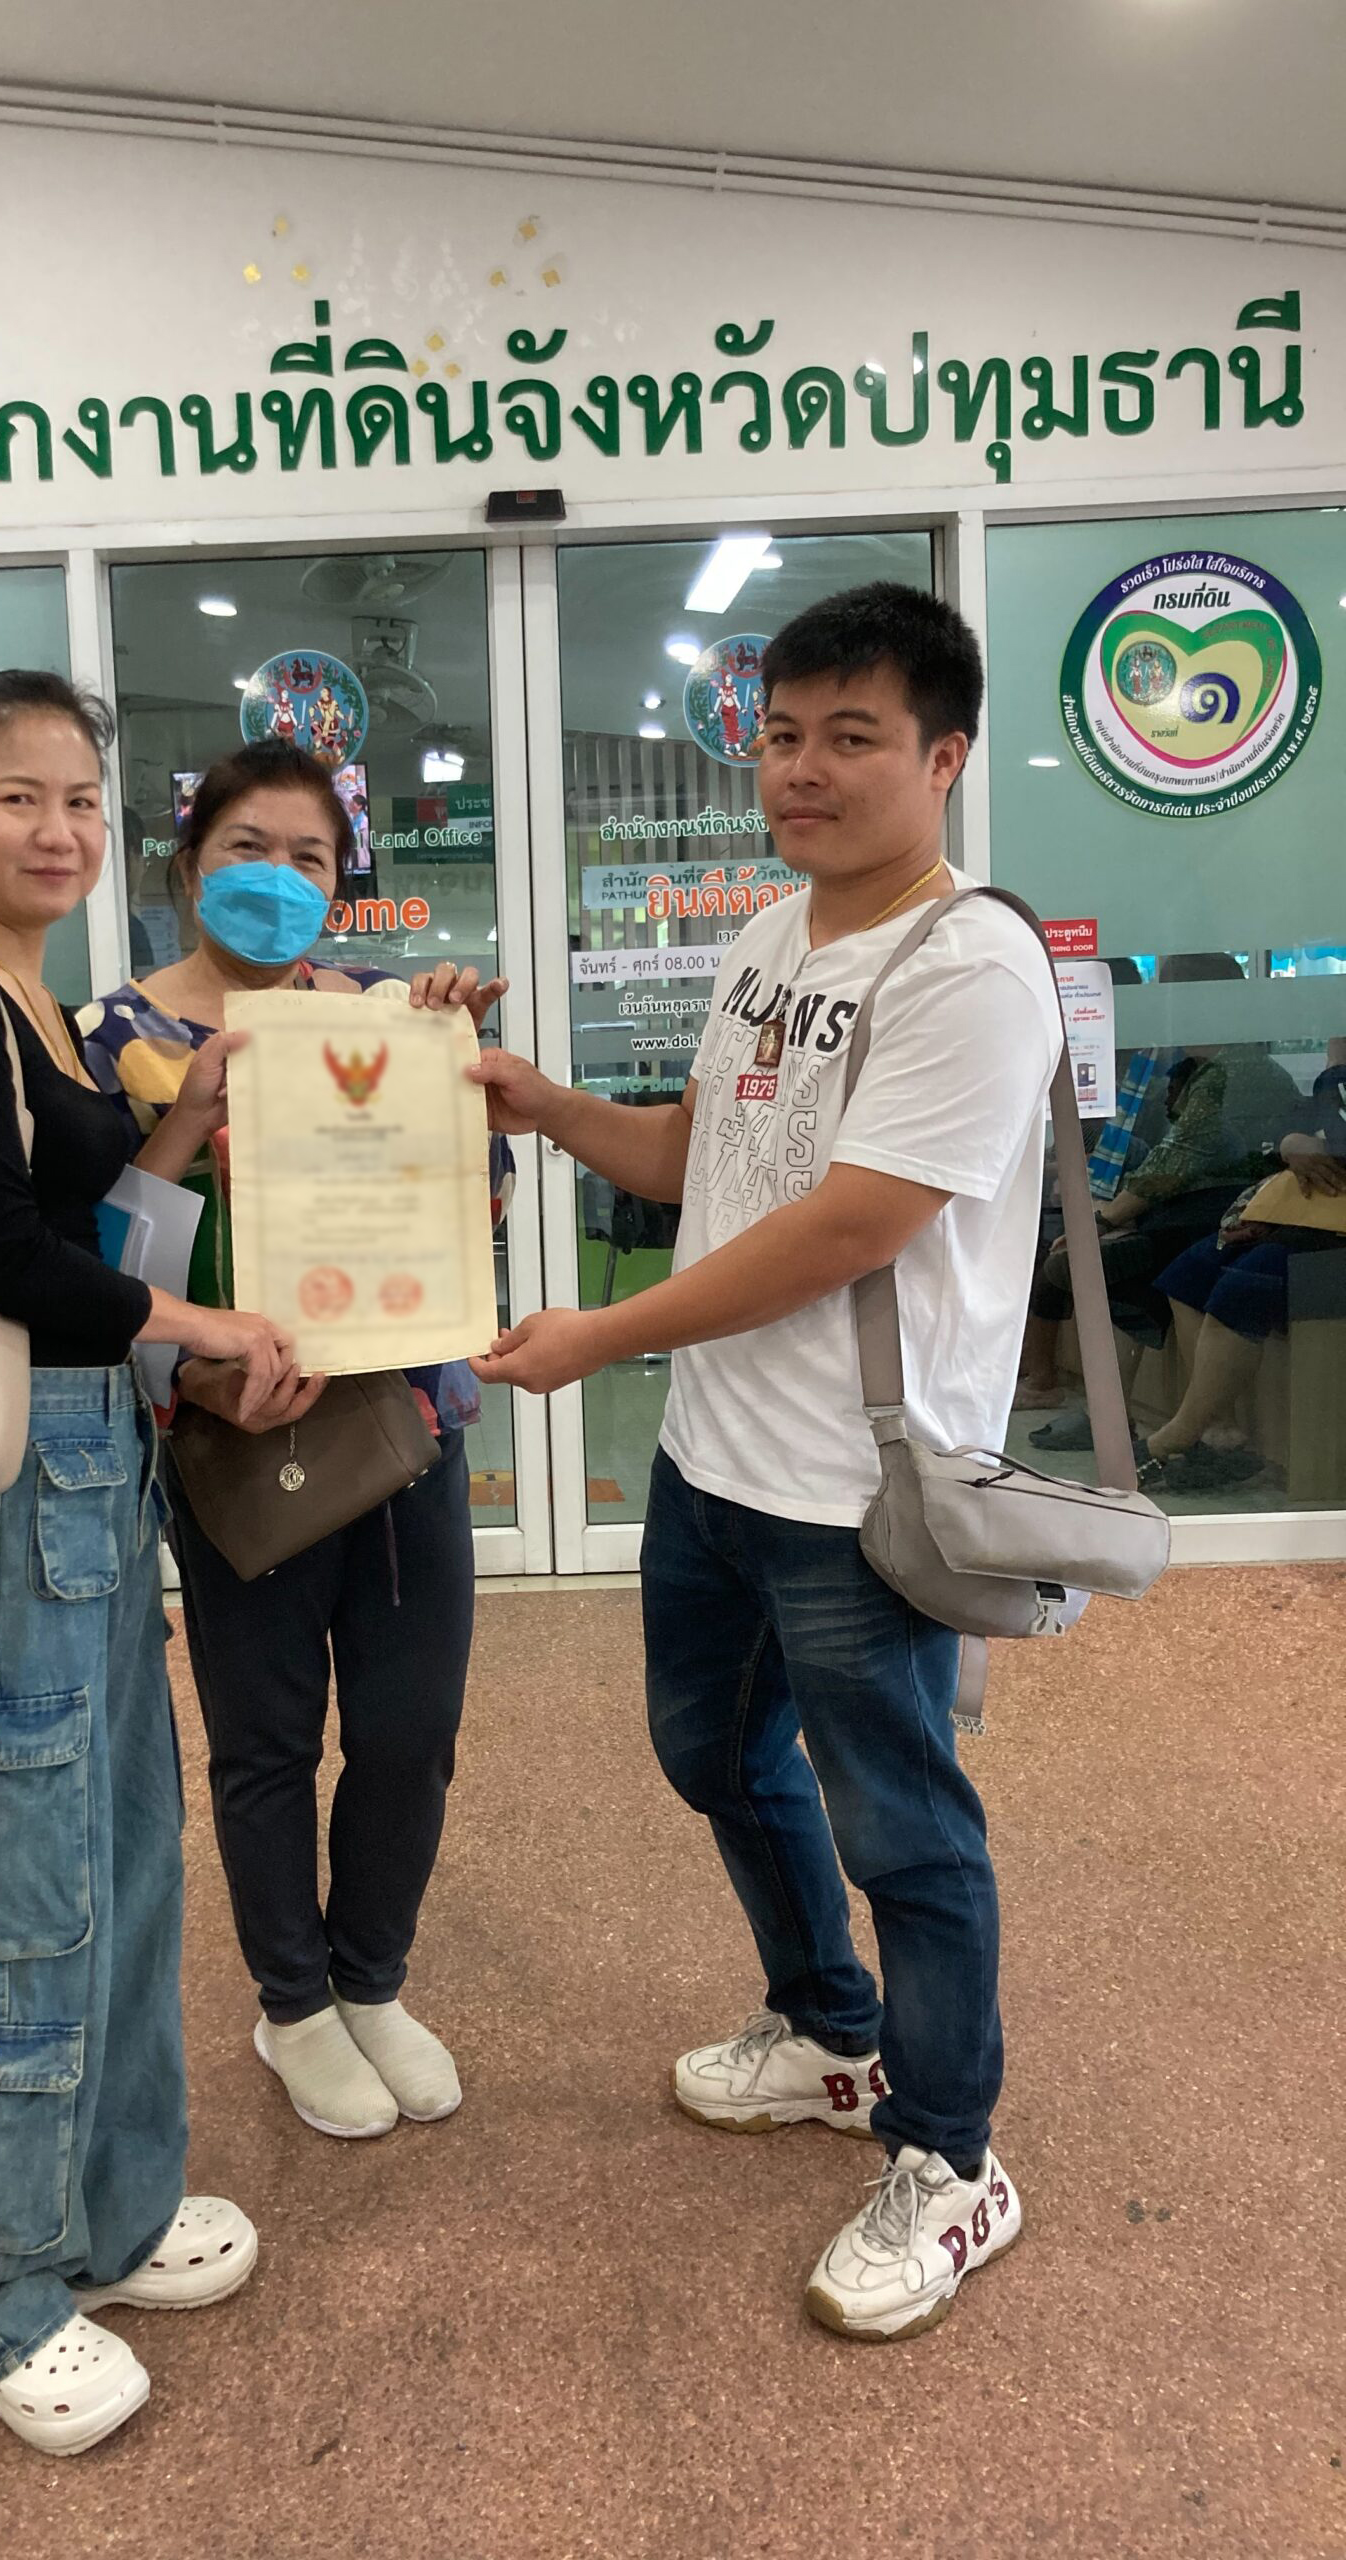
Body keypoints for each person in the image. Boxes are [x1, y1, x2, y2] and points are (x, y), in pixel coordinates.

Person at [468, 584, 1061, 2342]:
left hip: (862, 1493)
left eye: (852, 736)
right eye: (784, 734)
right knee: (711, 1751)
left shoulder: (970, 967)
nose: (802, 769)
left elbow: (849, 1228)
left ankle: (952, 2157)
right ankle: (829, 2032)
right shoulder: (769, 937)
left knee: (908, 1831)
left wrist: (597, 1336)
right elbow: (698, 1166)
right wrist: (546, 1105)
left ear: (944, 756)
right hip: (715, 1464)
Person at [0, 670, 291, 2456]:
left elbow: (82, 1214)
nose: (57, 831)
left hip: (85, 1465)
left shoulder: (35, 989)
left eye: (83, 801)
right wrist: (204, 1323)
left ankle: (106, 2217)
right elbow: (1, 1257)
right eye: (16, 797)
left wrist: (189, 1118)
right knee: (11, 1890)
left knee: (116, 1848)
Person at [78, 739, 511, 2142]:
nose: (276, 878)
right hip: (232, 1439)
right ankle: (294, 2007)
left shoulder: (383, 1013)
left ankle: (371, 1980)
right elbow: (97, 1257)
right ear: (189, 865)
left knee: (411, 1729)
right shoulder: (115, 1038)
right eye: (246, 850)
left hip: (398, 1426)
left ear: (343, 880)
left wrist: (453, 1070)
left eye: (308, 857)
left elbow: (481, 1203)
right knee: (266, 1741)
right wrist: (194, 1370)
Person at [1015, 956, 1302, 1429]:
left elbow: (1174, 1161)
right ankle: (1115, 1413)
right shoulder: (1201, 1069)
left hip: (1209, 1216)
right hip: (1182, 1211)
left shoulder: (1228, 1074)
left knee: (1089, 1265)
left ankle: (1193, 1428)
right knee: (1093, 1266)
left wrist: (1104, 1219)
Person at [1139, 1045, 1346, 1489]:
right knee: (1190, 1272)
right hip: (1318, 1209)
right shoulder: (1331, 1075)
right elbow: (1302, 1124)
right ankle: (1218, 1425)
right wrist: (1293, 1144)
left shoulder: (1238, 1074)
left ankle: (1179, 1433)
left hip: (1332, 1229)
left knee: (1244, 1285)